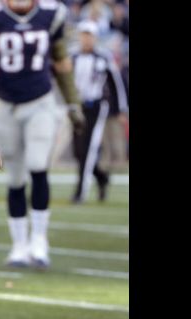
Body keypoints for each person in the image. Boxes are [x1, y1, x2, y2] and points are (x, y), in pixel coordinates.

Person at [0, 0, 84, 268]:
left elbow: (62, 63)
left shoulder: (51, 14)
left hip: (41, 102)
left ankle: (39, 240)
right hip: (6, 104)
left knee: (37, 165)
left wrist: (72, 101)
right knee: (16, 177)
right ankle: (20, 245)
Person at [70, 20, 128, 203]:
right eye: (83, 35)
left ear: (94, 37)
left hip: (96, 106)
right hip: (76, 107)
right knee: (78, 151)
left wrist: (121, 109)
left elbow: (116, 84)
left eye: (89, 35)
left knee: (88, 149)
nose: (86, 39)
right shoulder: (73, 56)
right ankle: (102, 177)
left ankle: (80, 192)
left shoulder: (103, 57)